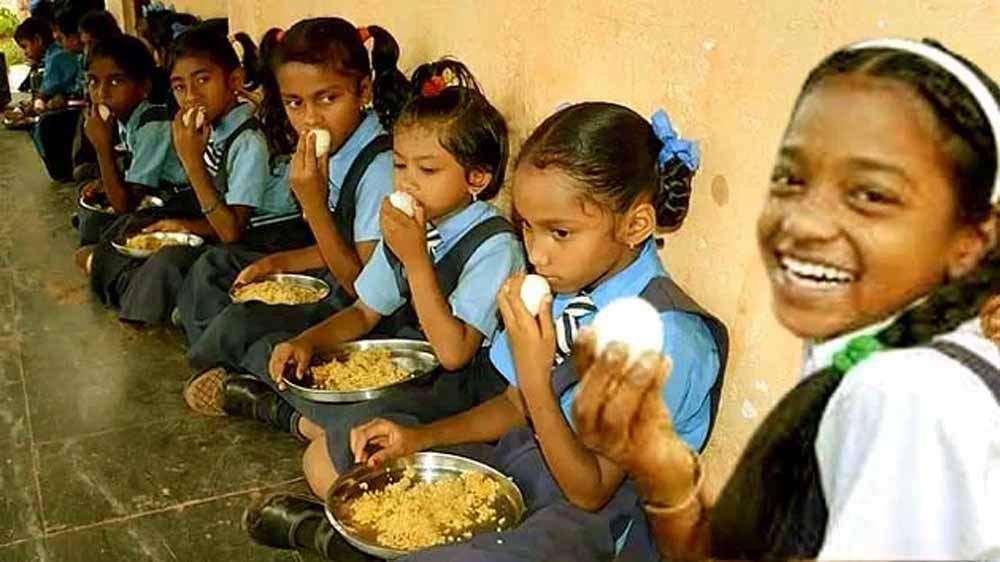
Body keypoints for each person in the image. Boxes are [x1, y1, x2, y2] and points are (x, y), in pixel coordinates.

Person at [573, 38, 1000, 561]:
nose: (802, 223)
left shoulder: (913, 397)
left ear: (972, 239)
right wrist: (661, 467)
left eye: (871, 194)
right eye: (791, 179)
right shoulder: (865, 360)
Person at [242, 102, 726, 562]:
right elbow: (513, 406)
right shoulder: (566, 287)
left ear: (636, 224)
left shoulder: (665, 340)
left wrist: (535, 379)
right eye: (527, 228)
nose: (536, 254)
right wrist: (418, 439)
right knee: (329, 462)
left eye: (559, 233)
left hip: (601, 514)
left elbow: (592, 490)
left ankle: (348, 547)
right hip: (530, 457)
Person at [176, 19, 402, 390]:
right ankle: (226, 355)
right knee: (216, 265)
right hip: (336, 273)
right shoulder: (335, 146)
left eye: (328, 99)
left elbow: (360, 284)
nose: (310, 118)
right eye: (294, 103)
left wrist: (314, 206)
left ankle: (254, 387)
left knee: (245, 324)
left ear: (363, 91)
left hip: (363, 309)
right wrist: (276, 263)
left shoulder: (378, 168)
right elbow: (337, 244)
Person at [82, 22, 295, 325]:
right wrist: (183, 226)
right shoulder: (215, 127)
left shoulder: (248, 141)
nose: (191, 96)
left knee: (172, 261)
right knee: (137, 226)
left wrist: (191, 162)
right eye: (180, 87)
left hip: (266, 237)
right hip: (226, 221)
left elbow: (232, 232)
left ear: (234, 80)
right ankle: (138, 288)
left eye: (203, 80)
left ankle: (151, 298)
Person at [74, 33, 188, 246]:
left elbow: (124, 206)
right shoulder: (125, 118)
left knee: (104, 227)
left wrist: (102, 148)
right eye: (93, 81)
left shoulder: (153, 125)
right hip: (156, 191)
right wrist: (104, 184)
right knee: (89, 208)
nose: (101, 93)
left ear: (144, 88)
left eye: (116, 81)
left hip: (183, 200)